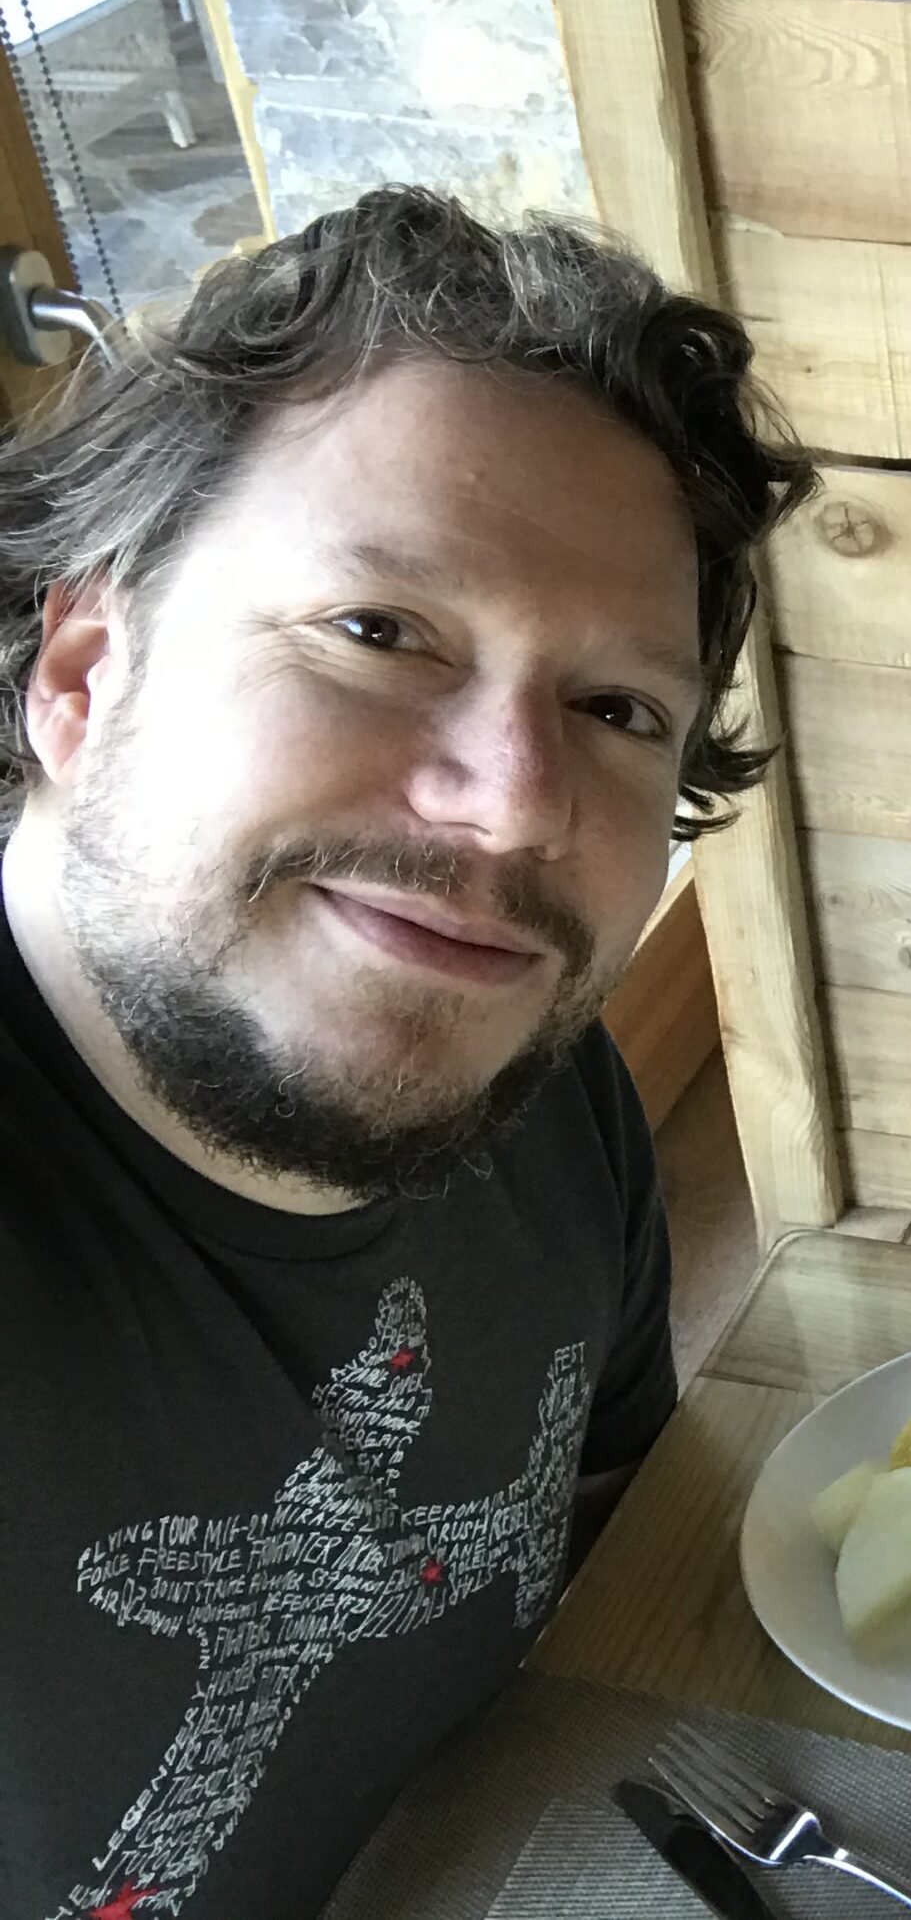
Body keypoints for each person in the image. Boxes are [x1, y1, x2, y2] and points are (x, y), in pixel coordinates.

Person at [0, 189, 813, 1917]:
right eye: (378, 632)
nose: (514, 808)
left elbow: (611, 1548)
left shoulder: (540, 1089)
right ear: (82, 672)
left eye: (617, 711)